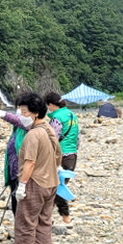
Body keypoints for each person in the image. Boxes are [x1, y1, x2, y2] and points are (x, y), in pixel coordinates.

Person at [10, 93, 61, 244]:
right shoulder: (49, 130)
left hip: (35, 183)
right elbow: (57, 156)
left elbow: (29, 162)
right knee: (45, 219)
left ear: (35, 113)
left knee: (25, 220)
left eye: (24, 112)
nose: (21, 116)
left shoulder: (33, 135)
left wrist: (22, 185)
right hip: (51, 181)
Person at [45, 92, 79, 226]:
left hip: (60, 156)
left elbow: (52, 139)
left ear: (52, 105)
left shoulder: (57, 118)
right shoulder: (72, 115)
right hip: (72, 154)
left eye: (48, 106)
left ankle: (64, 217)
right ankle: (52, 217)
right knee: (59, 186)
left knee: (56, 187)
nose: (48, 109)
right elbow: (77, 138)